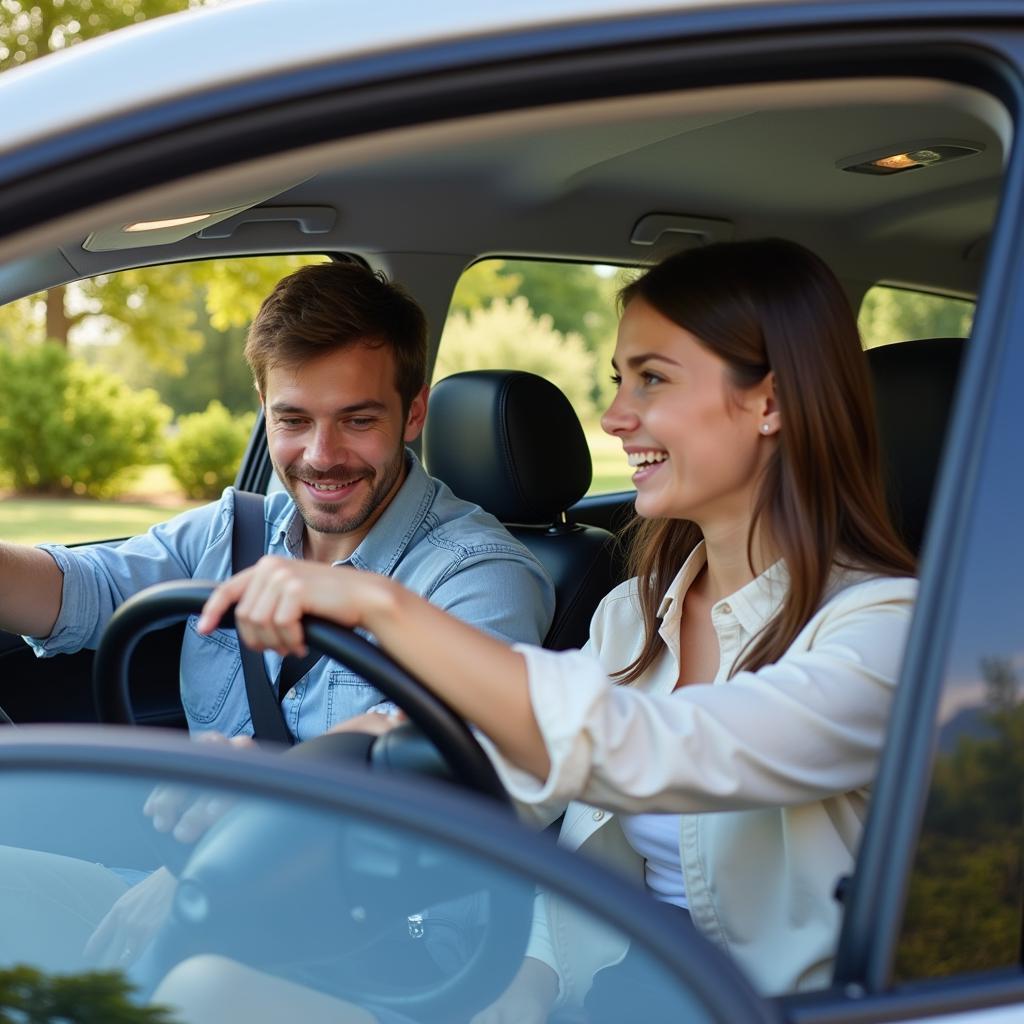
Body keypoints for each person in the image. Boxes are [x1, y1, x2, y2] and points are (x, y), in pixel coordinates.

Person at [178, 237, 917, 1021]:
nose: (614, 416)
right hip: (610, 993)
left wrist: (378, 606)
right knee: (207, 990)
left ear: (770, 402)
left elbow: (642, 745)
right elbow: (503, 770)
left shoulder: (886, 633)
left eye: (653, 380)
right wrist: (281, 794)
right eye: (618, 381)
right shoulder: (632, 618)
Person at [0, 260, 554, 972]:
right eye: (292, 420)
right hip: (205, 892)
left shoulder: (479, 573)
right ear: (263, 405)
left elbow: (448, 758)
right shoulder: (236, 532)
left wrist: (210, 869)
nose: (322, 457)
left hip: (391, 940)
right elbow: (85, 587)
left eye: (358, 420)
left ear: (413, 413)